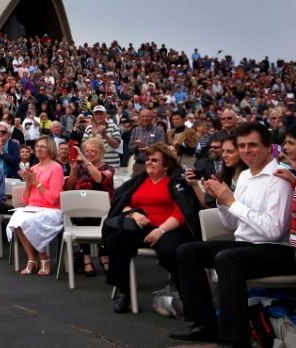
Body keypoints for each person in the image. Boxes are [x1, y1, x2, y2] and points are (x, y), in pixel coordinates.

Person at [170, 122, 296, 346]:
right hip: (246, 245)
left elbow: (274, 231)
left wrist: (232, 202)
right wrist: (221, 201)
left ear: (268, 148)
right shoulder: (246, 176)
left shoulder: (279, 178)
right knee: (187, 252)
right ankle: (204, 324)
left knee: (227, 259)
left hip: (279, 250)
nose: (246, 151)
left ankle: (235, 338)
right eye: (242, 146)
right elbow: (231, 224)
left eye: (253, 145)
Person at [102, 143, 200, 313]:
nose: (149, 162)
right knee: (116, 241)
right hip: (139, 226)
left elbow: (181, 212)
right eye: (148, 159)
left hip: (169, 228)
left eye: (155, 160)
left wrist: (160, 230)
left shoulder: (176, 183)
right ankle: (126, 291)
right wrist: (133, 213)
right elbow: (122, 204)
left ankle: (183, 290)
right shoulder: (139, 181)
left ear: (166, 166)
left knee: (170, 250)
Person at [6, 136, 64, 276]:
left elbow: (53, 199)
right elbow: (26, 200)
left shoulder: (56, 168)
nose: (38, 149)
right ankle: (31, 258)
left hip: (51, 210)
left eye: (42, 146)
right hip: (33, 208)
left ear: (50, 148)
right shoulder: (33, 168)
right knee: (16, 219)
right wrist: (27, 183)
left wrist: (36, 182)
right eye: (37, 146)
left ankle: (43, 257)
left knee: (29, 221)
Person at [64, 138, 114, 276]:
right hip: (81, 213)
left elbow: (99, 179)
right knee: (81, 212)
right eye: (88, 151)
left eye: (94, 151)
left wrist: (86, 160)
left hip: (102, 213)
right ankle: (86, 257)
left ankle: (103, 253)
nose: (90, 153)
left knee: (105, 221)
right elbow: (68, 187)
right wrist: (74, 169)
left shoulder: (108, 169)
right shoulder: (80, 167)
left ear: (102, 152)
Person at [187, 135, 247, 208]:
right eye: (223, 151)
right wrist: (195, 184)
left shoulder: (251, 176)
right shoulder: (220, 176)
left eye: (230, 152)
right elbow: (210, 206)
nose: (224, 155)